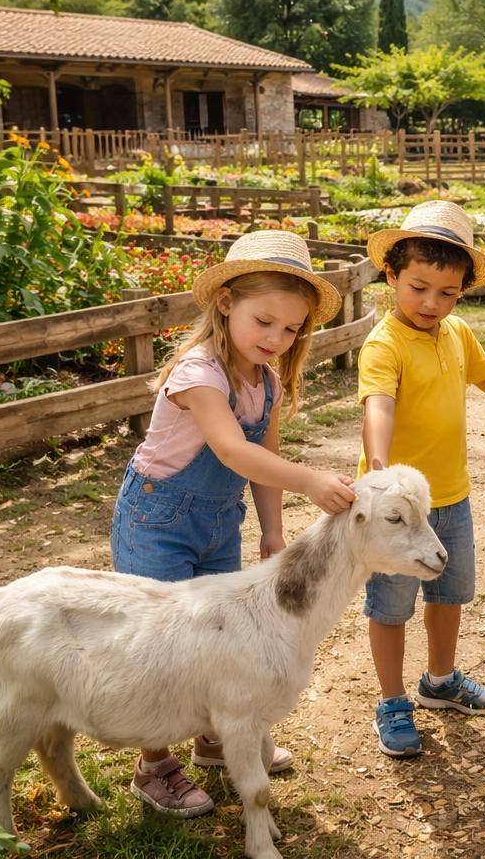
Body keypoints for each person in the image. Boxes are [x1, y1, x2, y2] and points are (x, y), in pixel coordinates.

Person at [111, 229, 357, 817]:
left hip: (220, 522)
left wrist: (273, 531)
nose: (276, 338)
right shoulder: (200, 374)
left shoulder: (265, 381)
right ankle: (154, 763)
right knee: (161, 644)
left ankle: (213, 736)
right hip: (157, 519)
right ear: (226, 304)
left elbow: (261, 467)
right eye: (264, 321)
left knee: (218, 634)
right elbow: (230, 451)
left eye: (291, 328)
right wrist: (312, 481)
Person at [361, 200, 485, 758]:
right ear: (391, 275)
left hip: (452, 498)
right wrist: (380, 467)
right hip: (397, 508)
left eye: (447, 293)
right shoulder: (384, 344)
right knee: (390, 606)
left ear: (462, 291)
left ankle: (440, 681)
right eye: (418, 287)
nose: (431, 303)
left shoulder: (457, 333)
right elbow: (378, 405)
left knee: (448, 594)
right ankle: (392, 700)